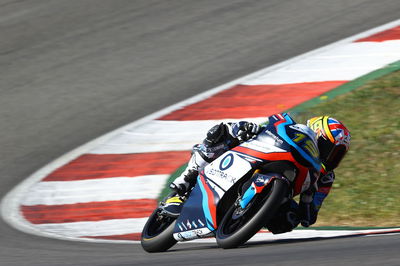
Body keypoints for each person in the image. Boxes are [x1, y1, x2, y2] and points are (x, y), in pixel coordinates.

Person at [162, 114, 351, 234]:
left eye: (337, 154)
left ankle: (247, 216)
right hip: (254, 153)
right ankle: (183, 185)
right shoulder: (294, 129)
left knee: (289, 220)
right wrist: (251, 130)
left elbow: (309, 218)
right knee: (225, 131)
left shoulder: (325, 178)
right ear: (317, 134)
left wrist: (309, 198)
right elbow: (275, 121)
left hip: (281, 188)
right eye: (329, 148)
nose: (330, 157)